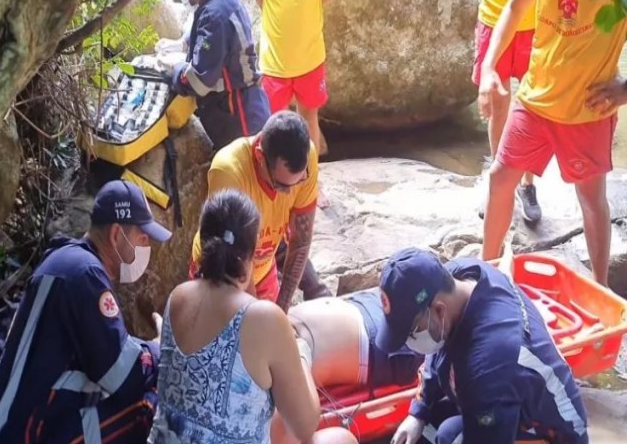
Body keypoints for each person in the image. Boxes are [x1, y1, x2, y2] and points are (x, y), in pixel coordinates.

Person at [148, 189, 356, 444]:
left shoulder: (177, 297)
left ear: (202, 242)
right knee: (340, 439)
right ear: (252, 254)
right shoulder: (264, 318)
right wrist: (301, 350)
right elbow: (305, 426)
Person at [0, 180, 170, 443]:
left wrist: (147, 349)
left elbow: (108, 352)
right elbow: (125, 377)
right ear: (116, 235)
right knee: (150, 400)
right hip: (27, 434)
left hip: (10, 425)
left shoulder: (69, 261)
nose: (146, 249)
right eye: (143, 239)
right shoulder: (85, 274)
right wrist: (158, 349)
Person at [478, 0, 627, 286]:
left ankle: (601, 288)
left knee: (591, 199)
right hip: (534, 98)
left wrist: (625, 90)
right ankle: (486, 275)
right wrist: (489, 67)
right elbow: (516, 7)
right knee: (501, 177)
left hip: (587, 109)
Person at [375, 248, 588, 444]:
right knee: (444, 428)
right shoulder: (459, 277)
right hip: (511, 400)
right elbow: (437, 351)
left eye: (412, 331)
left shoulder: (488, 368)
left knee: (451, 436)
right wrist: (418, 412)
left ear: (440, 311)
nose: (409, 342)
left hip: (552, 433)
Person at [189, 111, 331, 312]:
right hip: (223, 273)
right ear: (259, 156)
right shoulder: (229, 171)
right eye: (281, 184)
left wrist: (282, 308)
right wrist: (258, 317)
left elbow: (300, 241)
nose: (289, 192)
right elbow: (233, 258)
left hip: (263, 267)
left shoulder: (307, 155)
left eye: (299, 180)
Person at [164, 0, 271, 150]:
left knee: (246, 173)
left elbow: (200, 81)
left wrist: (175, 69)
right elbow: (207, 34)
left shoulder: (215, 15)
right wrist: (184, 42)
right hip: (246, 107)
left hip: (239, 116)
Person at [465, 0, 541, 223]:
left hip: (534, 24)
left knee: (534, 107)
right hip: (494, 19)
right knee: (499, 107)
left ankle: (527, 185)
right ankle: (500, 183)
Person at [250, 0, 336, 156]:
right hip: (274, 62)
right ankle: (279, 177)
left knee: (309, 116)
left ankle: (311, 171)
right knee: (275, 121)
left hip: (310, 58)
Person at [288, 288, 424, 390]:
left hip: (369, 318)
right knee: (427, 297)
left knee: (429, 302)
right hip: (367, 318)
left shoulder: (287, 366)